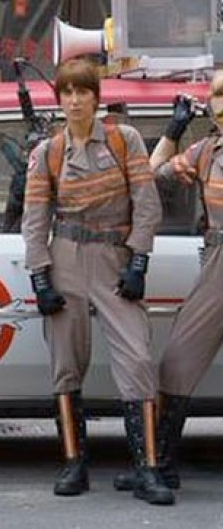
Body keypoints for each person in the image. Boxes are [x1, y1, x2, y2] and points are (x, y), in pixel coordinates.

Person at [21, 57, 174, 505]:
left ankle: (147, 469)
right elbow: (35, 219)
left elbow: (146, 203)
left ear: (95, 97)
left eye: (83, 92)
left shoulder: (124, 139)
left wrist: (139, 260)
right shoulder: (48, 152)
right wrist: (40, 276)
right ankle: (74, 463)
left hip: (114, 258)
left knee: (138, 359)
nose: (74, 101)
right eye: (67, 92)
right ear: (59, 99)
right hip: (66, 256)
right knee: (65, 361)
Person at [117, 74, 223, 491]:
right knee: (178, 360)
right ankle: (159, 460)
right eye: (216, 95)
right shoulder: (207, 151)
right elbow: (151, 174)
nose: (220, 103)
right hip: (217, 260)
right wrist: (174, 130)